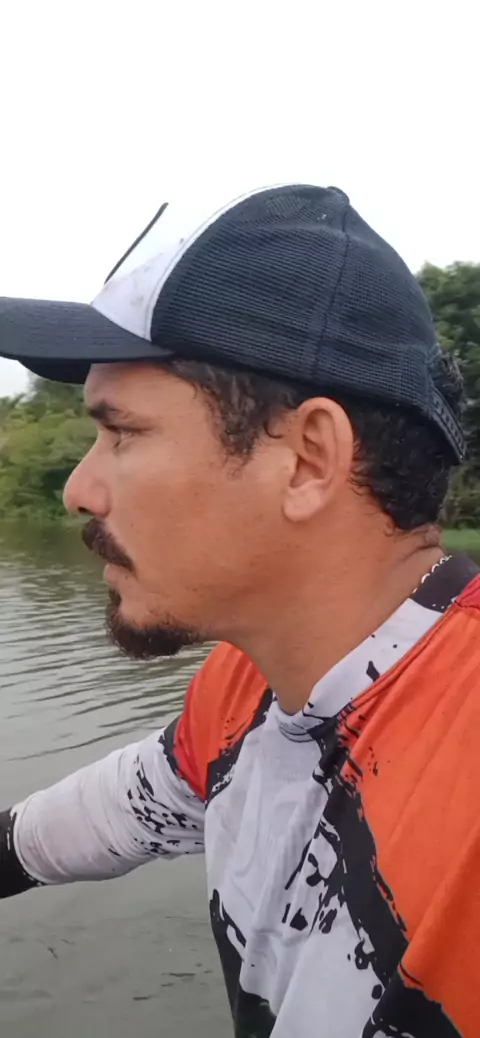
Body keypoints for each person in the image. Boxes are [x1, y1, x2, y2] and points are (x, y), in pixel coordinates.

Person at [0, 183, 478, 1038]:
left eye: (122, 432)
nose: (79, 488)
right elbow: (84, 823)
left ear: (308, 460)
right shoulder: (245, 691)